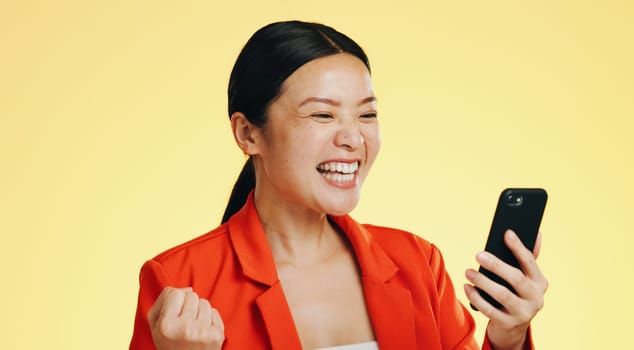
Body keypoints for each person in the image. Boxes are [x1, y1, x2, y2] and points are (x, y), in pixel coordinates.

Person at [130, 20, 548, 350]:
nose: (353, 138)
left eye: (366, 115)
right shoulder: (179, 282)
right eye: (322, 116)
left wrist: (508, 336)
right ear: (248, 134)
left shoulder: (418, 265)